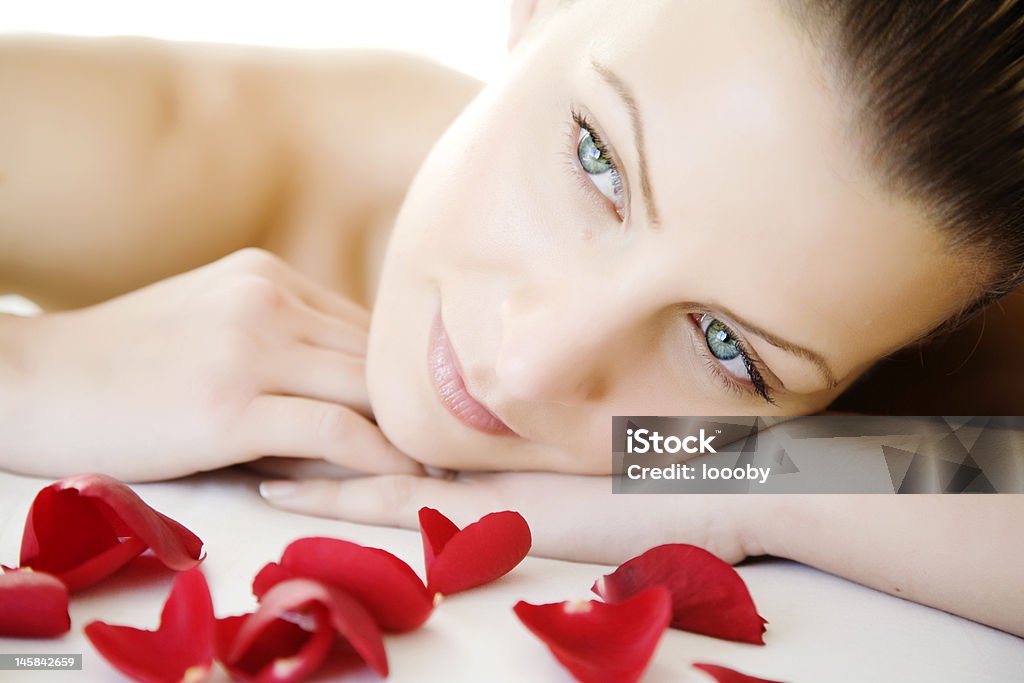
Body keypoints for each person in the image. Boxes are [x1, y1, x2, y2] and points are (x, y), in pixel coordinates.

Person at [1, 0, 1022, 636]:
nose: (529, 364)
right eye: (594, 159)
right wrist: (23, 367)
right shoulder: (201, 149)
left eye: (724, 346)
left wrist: (763, 486)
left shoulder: (939, 311)